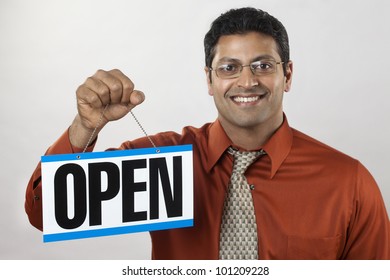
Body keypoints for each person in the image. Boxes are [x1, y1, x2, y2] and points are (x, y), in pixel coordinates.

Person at [25, 7, 389, 260]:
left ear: (287, 75)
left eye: (263, 65)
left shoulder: (348, 182)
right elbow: (47, 213)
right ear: (210, 80)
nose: (247, 81)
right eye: (229, 67)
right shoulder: (161, 162)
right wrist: (85, 127)